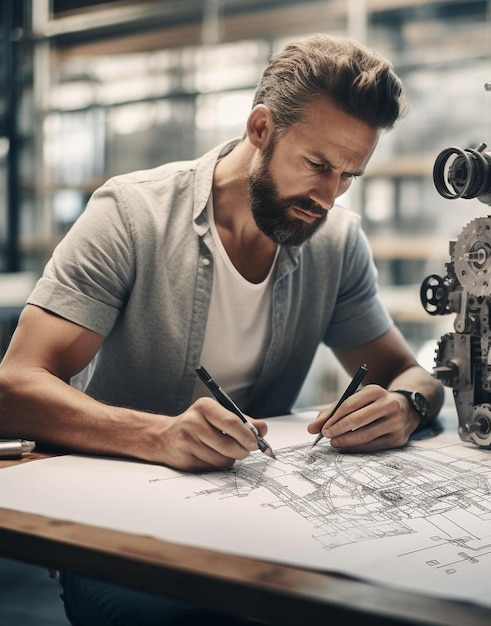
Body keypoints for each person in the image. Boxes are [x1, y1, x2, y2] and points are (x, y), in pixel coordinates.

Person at [0, 33, 444, 626]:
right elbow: (14, 388)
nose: (328, 197)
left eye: (348, 177)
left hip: (261, 524)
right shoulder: (131, 215)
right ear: (261, 128)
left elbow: (412, 373)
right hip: (119, 528)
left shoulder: (336, 242)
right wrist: (159, 437)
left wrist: (406, 404)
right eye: (316, 165)